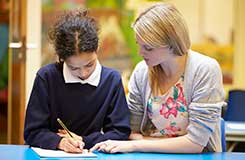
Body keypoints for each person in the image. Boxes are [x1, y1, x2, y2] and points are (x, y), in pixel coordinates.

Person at [90, 3, 225, 153]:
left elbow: (195, 143)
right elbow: (130, 131)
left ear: (172, 44)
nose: (141, 53)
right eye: (138, 45)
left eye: (148, 48)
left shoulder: (205, 69)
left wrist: (138, 144)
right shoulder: (142, 71)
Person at [24, 8, 131, 153]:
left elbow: (120, 132)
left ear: (97, 48)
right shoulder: (47, 77)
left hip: (93, 154)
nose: (83, 73)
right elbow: (32, 132)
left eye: (89, 65)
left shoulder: (111, 80)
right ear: (62, 59)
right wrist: (60, 142)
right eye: (74, 68)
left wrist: (83, 141)